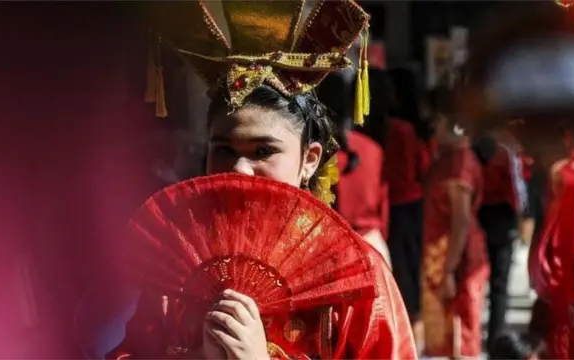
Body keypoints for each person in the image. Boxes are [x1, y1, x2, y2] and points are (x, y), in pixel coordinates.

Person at [99, 1, 417, 359]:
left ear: (309, 160)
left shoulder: (361, 277)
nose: (239, 169)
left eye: (263, 151)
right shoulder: (180, 266)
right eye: (223, 149)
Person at [420, 86, 489, 358]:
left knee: (459, 336)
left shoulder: (458, 162)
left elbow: (461, 222)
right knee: (445, 337)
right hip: (443, 254)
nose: (432, 125)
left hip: (458, 258)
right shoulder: (448, 157)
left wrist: (450, 269)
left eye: (436, 119)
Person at [317, 71, 391, 268]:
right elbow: (383, 205)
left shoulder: (314, 153)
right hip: (374, 244)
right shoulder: (372, 147)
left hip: (333, 248)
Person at [384, 67, 431, 347]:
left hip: (390, 207)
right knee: (411, 275)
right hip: (411, 206)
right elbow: (422, 168)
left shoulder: (383, 129)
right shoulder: (410, 131)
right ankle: (414, 341)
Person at [476, 128, 527, 354]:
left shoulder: (472, 150)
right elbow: (516, 188)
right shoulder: (505, 151)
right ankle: (495, 343)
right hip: (502, 218)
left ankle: (470, 335)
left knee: (472, 280)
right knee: (500, 285)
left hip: (476, 216)